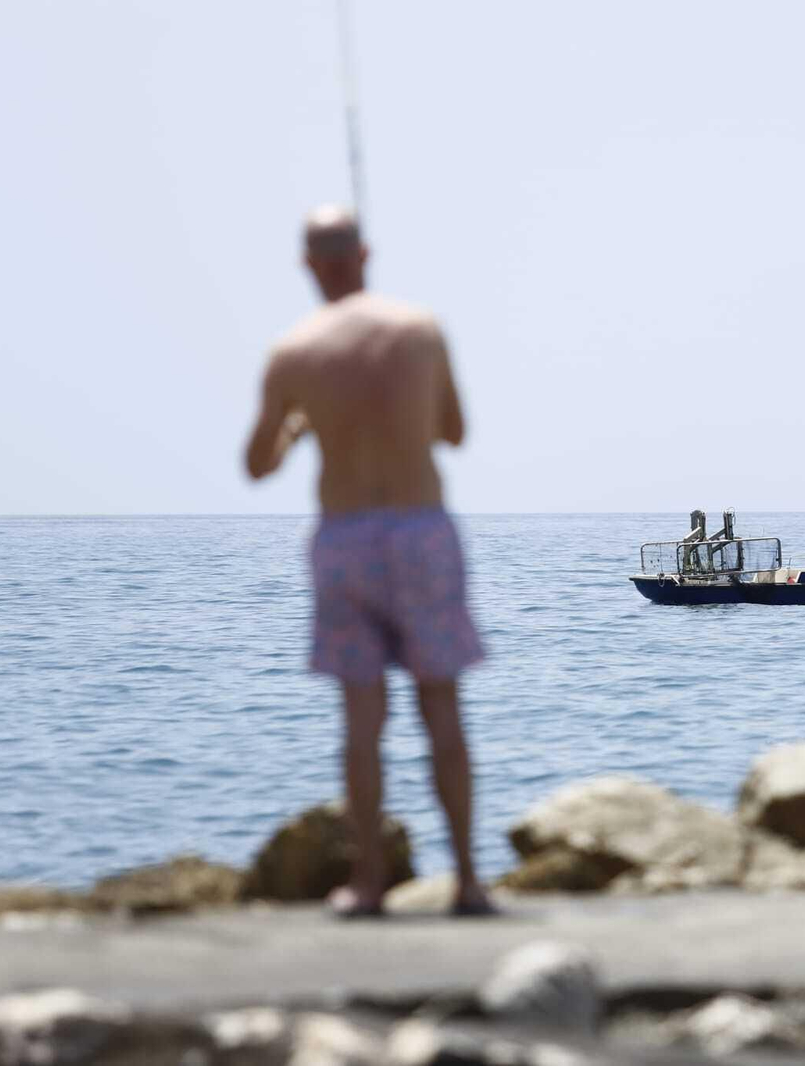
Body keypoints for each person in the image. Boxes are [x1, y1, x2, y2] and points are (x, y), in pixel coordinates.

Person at [244, 205, 493, 918]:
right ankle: (468, 881)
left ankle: (368, 884)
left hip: (345, 536)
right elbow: (454, 431)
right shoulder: (419, 329)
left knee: (361, 718)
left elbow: (257, 464)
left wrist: (301, 423)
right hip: (420, 529)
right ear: (365, 255)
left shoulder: (293, 350)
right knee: (441, 705)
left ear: (308, 265)